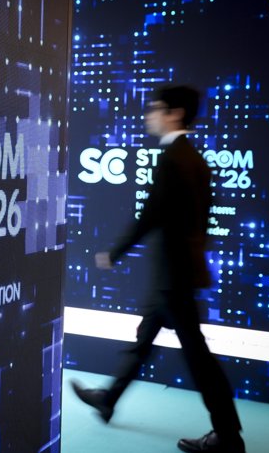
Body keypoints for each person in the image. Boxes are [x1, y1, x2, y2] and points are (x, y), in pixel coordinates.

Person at [71, 85, 245, 452]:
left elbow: (151, 215)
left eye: (156, 108)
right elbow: (198, 221)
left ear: (175, 114)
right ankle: (108, 400)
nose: (149, 115)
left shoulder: (173, 160)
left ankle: (228, 436)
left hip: (173, 281)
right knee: (144, 343)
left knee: (199, 361)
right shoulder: (194, 158)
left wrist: (114, 253)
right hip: (175, 277)